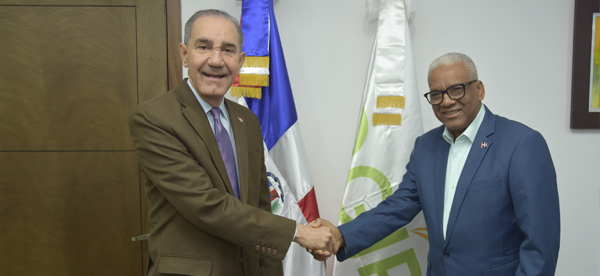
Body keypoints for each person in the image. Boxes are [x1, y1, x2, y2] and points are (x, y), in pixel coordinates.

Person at [312, 52, 560, 275]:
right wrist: (341, 235)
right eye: (436, 94)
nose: (447, 101)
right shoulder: (425, 147)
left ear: (480, 89)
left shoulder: (522, 143)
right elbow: (397, 207)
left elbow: (541, 243)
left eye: (457, 89)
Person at [128, 9, 332, 276]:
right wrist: (299, 233)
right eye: (203, 47)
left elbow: (261, 205)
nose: (216, 60)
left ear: (241, 60)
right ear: (184, 53)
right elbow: (205, 204)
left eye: (228, 50)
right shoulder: (153, 118)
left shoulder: (246, 120)